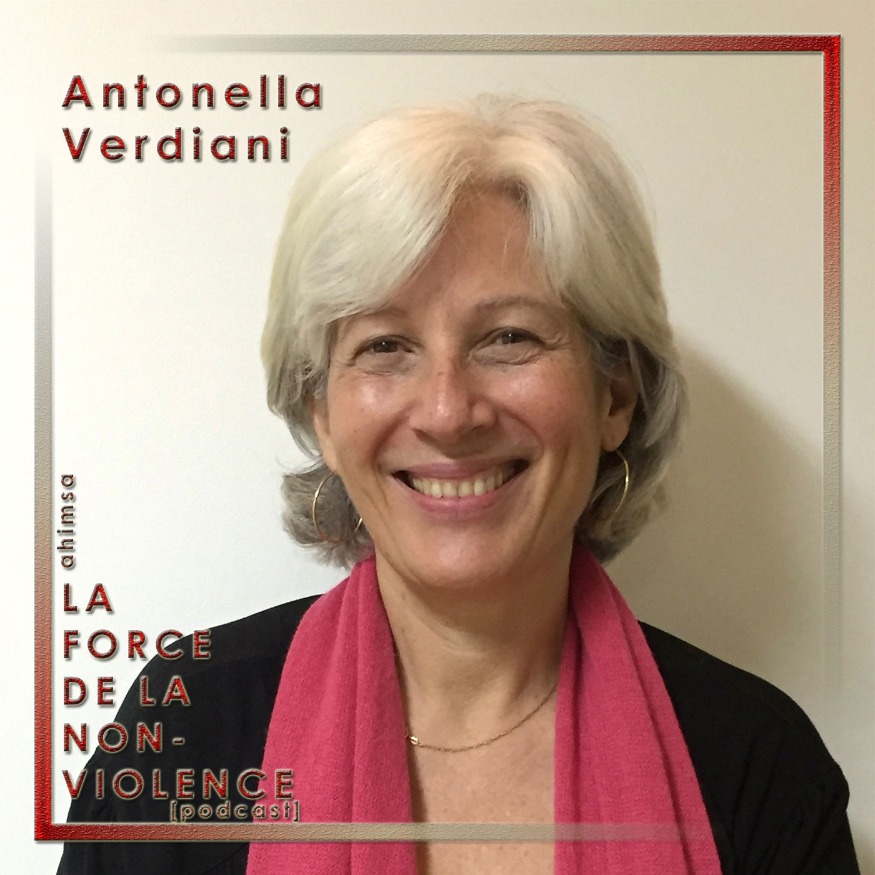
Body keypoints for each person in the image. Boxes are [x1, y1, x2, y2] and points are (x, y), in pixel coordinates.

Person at [58, 95, 859, 874]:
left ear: (614, 396)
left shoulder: (760, 769)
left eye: (509, 337)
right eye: (384, 345)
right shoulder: (185, 728)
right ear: (322, 412)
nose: (447, 411)